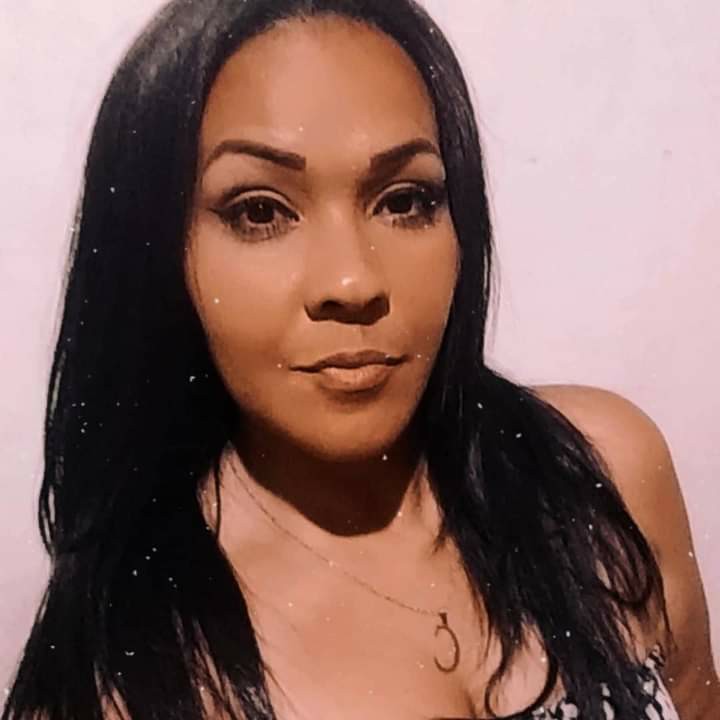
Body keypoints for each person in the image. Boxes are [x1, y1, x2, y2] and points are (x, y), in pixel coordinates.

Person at [3, 1, 717, 718]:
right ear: (156, 250)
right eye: (260, 211)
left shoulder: (601, 472)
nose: (352, 281)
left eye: (405, 200)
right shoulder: (124, 680)